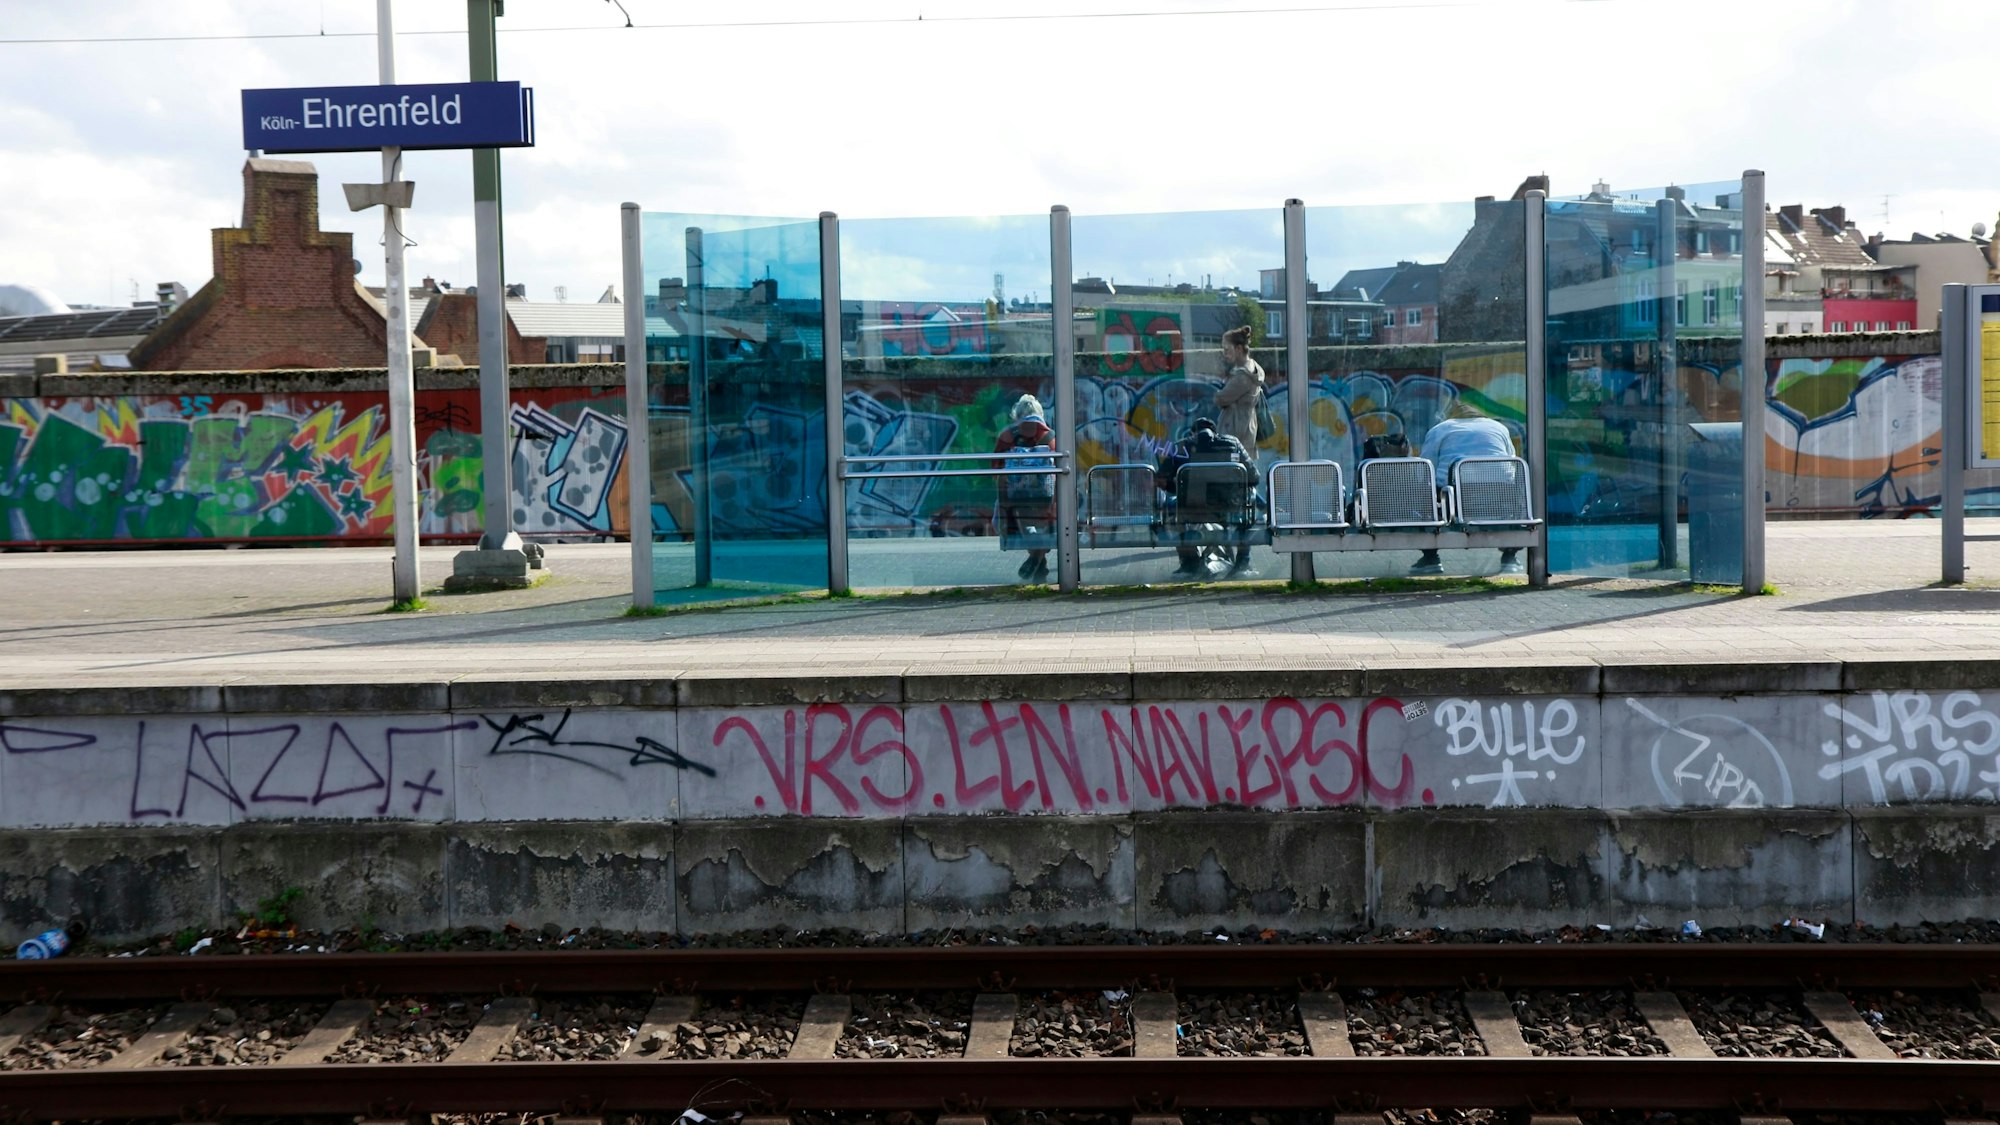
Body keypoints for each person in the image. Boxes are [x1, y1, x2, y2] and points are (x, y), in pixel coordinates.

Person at [1409, 401, 1522, 576]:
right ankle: (1509, 558)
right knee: (1515, 503)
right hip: (1499, 494)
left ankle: (1430, 557)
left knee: (1426, 495)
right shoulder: (1499, 428)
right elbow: (1512, 462)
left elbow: (1425, 468)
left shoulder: (1441, 429)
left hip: (1453, 498)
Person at [1158, 417, 1255, 578]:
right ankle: (1242, 564)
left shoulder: (1182, 446)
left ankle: (1189, 563)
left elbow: (1160, 480)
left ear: (1193, 433)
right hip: (1229, 508)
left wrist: (1178, 489)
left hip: (1192, 508)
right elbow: (1254, 477)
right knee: (1248, 507)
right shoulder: (1233, 443)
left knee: (1171, 509)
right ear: (1216, 431)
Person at [994, 394, 1055, 583]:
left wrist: (1004, 505)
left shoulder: (1007, 435)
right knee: (1039, 524)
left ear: (1016, 416)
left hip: (1016, 499)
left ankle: (1036, 558)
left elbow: (996, 468)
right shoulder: (1050, 436)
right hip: (1048, 498)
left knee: (1022, 517)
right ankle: (1039, 560)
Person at [1213, 324, 1266, 453]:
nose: (1224, 354)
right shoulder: (1254, 368)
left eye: (1227, 349)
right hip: (1247, 429)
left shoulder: (1242, 377)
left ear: (1238, 349)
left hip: (1235, 433)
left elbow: (1221, 399)